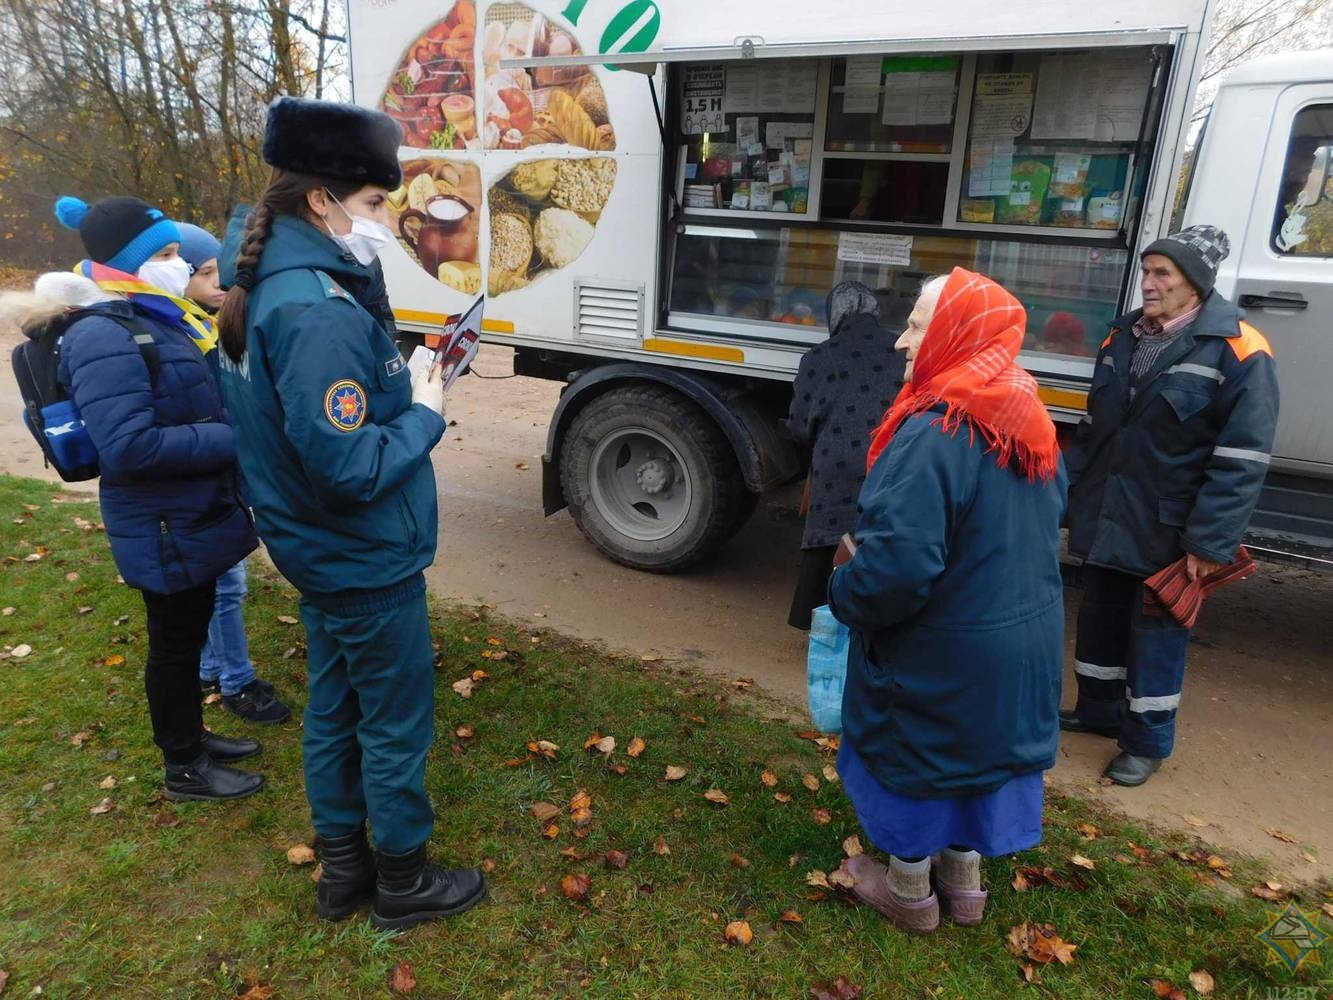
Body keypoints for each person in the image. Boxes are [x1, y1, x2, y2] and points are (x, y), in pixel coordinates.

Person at [215, 96, 486, 929]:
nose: (381, 223)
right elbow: (347, 466)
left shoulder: (277, 283)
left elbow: (317, 421)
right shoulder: (311, 310)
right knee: (394, 721)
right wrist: (426, 411)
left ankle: (343, 871)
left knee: (335, 708)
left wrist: (389, 369)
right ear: (320, 201)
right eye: (372, 205)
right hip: (360, 552)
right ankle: (401, 879)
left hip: (318, 553)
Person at [829, 268, 1066, 935]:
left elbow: (894, 574)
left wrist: (842, 589)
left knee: (915, 754)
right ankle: (963, 884)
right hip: (1017, 644)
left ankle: (908, 892)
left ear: (957, 334)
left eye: (916, 324)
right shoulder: (1026, 416)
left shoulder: (933, 435)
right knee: (975, 754)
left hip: (945, 646)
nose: (901, 343)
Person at [46, 195, 265, 801]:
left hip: (186, 512)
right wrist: (236, 438)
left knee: (187, 633)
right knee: (173, 645)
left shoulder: (154, 317)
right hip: (162, 520)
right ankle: (184, 765)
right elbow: (128, 446)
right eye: (166, 254)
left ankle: (192, 737)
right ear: (128, 264)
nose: (180, 264)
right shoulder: (102, 333)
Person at [1061, 226, 1280, 787]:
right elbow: (1092, 433)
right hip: (1110, 513)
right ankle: (1097, 710)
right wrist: (1062, 499)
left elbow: (1241, 459)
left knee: (1156, 636)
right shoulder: (1121, 339)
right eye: (1146, 271)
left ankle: (1147, 741)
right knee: (1100, 619)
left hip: (1171, 527)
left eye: (1163, 274)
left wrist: (1209, 541)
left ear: (1196, 285)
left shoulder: (1240, 349)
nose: (1148, 283)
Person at [177, 221, 293, 725]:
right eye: (205, 274)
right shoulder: (183, 335)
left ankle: (208, 666)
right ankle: (238, 682)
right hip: (205, 485)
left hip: (210, 481)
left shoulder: (199, 322)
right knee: (226, 586)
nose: (218, 282)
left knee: (216, 583)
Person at [785, 281, 905, 629]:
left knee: (830, 543)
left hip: (836, 468)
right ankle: (874, 622)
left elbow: (799, 425)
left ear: (833, 315)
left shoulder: (819, 357)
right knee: (879, 540)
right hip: (889, 462)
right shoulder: (901, 350)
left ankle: (825, 622)